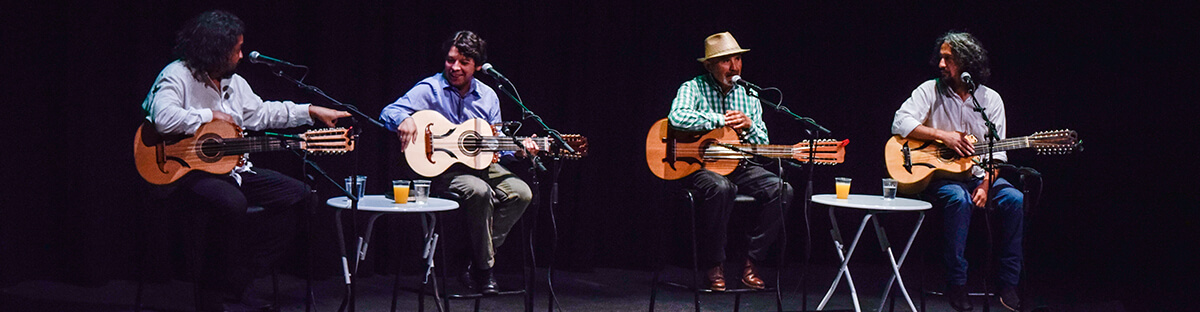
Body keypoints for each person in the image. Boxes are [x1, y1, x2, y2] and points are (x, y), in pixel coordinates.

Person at [140, 10, 350, 311]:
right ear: (216, 51)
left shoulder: (234, 83)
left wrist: (311, 111)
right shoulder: (177, 75)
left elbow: (262, 113)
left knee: (303, 196)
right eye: (236, 49)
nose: (241, 55)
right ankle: (212, 295)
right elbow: (163, 119)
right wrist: (209, 115)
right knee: (231, 203)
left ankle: (239, 277)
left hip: (234, 169)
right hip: (183, 171)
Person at [379, 30, 535, 295]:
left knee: (522, 193)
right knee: (479, 190)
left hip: (480, 164)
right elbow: (388, 112)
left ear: (476, 65)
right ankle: (485, 270)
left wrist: (520, 151)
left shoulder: (488, 96)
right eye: (451, 60)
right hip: (441, 167)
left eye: (463, 62)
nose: (455, 67)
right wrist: (403, 120)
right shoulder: (431, 88)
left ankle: (475, 257)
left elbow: (495, 145)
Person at [891, 31, 1024, 311]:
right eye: (940, 57)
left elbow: (996, 154)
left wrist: (986, 185)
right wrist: (943, 136)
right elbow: (900, 122)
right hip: (941, 176)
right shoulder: (930, 90)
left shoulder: (990, 100)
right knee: (958, 200)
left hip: (978, 176)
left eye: (948, 58)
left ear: (968, 62)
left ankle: (1008, 283)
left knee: (1015, 200)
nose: (941, 64)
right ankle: (957, 283)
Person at [667, 31, 794, 291]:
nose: (734, 66)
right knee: (722, 188)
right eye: (726, 61)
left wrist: (747, 126)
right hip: (700, 165)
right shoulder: (693, 87)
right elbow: (676, 118)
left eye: (737, 59)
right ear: (709, 65)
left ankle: (751, 262)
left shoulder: (749, 95)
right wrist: (719, 120)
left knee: (782, 190)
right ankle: (714, 264)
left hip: (739, 164)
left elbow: (763, 144)